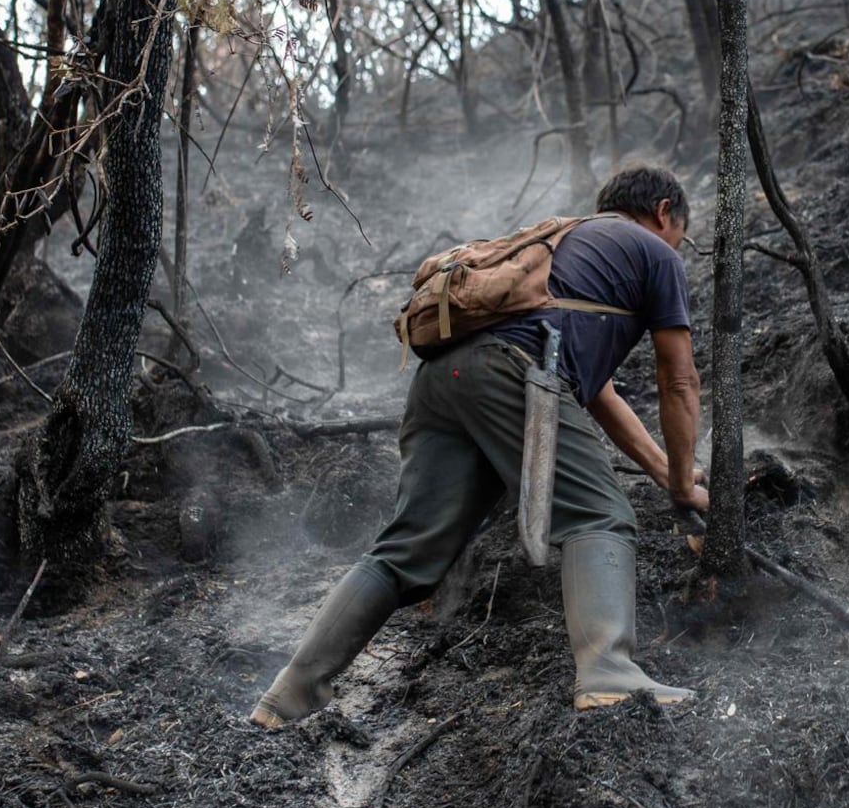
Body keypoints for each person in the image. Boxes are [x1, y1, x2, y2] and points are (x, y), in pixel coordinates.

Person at [251, 164, 707, 725]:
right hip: (511, 373)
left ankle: (288, 695)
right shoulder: (654, 252)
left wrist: (670, 476)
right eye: (679, 233)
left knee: (407, 551)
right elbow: (679, 380)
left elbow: (601, 396)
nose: (676, 246)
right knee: (600, 516)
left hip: (443, 379)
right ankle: (609, 674)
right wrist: (687, 491)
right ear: (664, 213)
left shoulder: (569, 243)